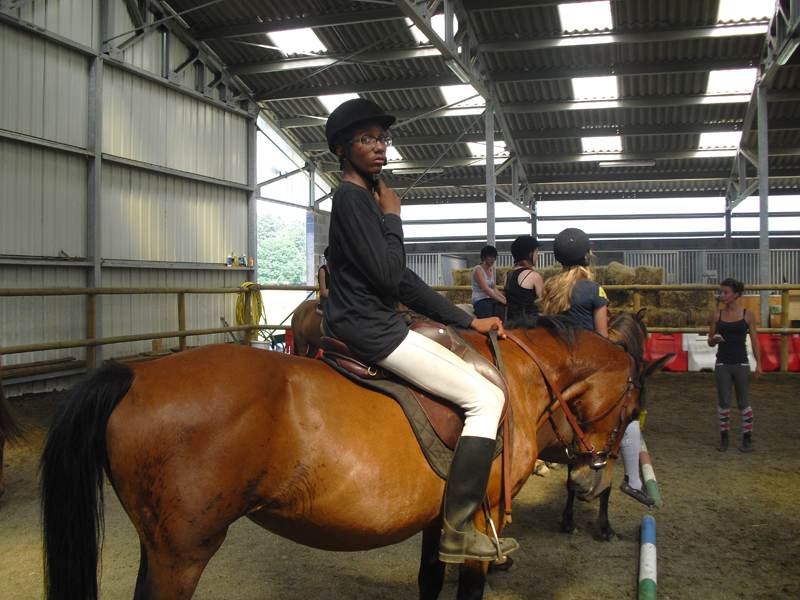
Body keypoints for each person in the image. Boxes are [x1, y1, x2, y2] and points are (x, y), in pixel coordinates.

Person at [322, 98, 518, 563]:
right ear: (341, 149)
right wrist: (394, 217)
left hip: (373, 320)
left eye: (382, 138)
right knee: (487, 398)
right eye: (367, 139)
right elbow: (390, 278)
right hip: (370, 328)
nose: (380, 147)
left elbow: (403, 280)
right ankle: (456, 531)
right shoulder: (352, 200)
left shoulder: (362, 199)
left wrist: (468, 320)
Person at [539, 228, 653, 507]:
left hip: (556, 364)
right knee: (627, 412)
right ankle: (633, 481)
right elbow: (602, 339)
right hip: (586, 366)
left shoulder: (550, 286)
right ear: (587, 256)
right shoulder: (594, 290)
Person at [707, 278, 762, 452]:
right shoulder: (717, 315)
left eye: (726, 292)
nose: (722, 295)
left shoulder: (748, 314)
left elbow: (754, 340)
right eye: (721, 292)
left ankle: (747, 439)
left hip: (741, 363)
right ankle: (724, 439)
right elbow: (710, 341)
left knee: (743, 402)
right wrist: (714, 340)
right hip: (722, 363)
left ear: (736, 295)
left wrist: (759, 363)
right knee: (724, 402)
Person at [504, 235, 544, 326]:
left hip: (510, 324)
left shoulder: (508, 274)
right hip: (529, 325)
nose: (538, 256)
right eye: (536, 252)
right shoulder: (533, 276)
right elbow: (543, 304)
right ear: (530, 254)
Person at [472, 245, 506, 318]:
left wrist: (504, 298)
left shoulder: (491, 269)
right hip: (480, 299)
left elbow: (494, 288)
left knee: (502, 309)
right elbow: (486, 289)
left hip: (489, 299)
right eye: (490, 257)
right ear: (484, 257)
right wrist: (501, 300)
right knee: (488, 311)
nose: (493, 259)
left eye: (494, 257)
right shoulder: (478, 269)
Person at [317, 247, 330, 314]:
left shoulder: (337, 271)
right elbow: (323, 292)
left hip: (337, 297)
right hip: (326, 300)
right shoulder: (323, 270)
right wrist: (337, 292)